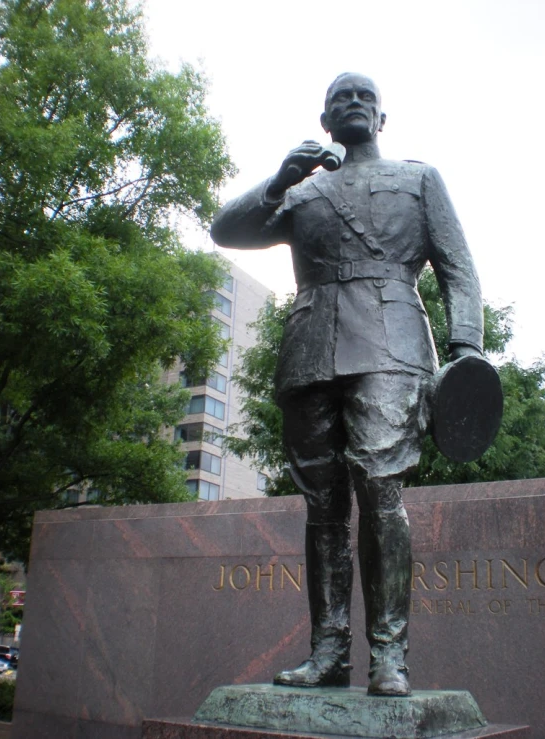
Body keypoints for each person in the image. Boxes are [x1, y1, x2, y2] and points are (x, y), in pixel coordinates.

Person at [210, 73, 483, 696]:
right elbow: (226, 230)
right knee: (323, 504)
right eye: (341, 98)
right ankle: (328, 654)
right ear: (325, 120)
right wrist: (280, 178)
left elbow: (458, 267)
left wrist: (466, 351)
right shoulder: (302, 194)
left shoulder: (418, 180)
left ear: (382, 119)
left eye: (365, 98)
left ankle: (389, 656)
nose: (354, 104)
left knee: (380, 487)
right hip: (311, 348)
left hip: (393, 345)